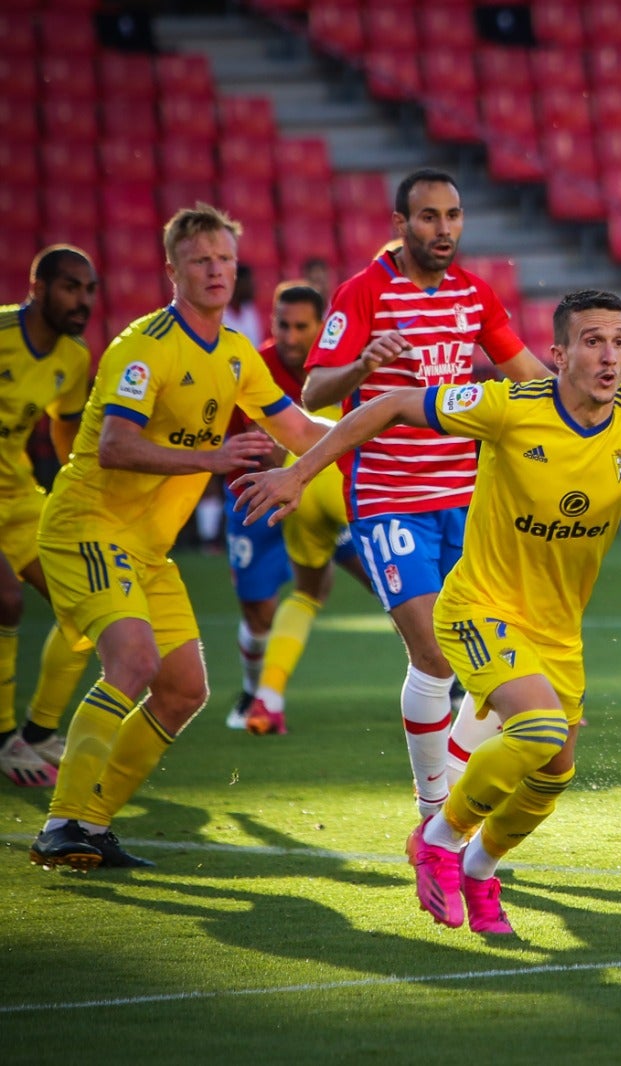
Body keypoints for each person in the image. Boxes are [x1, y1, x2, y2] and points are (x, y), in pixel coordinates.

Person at [235, 289, 621, 934]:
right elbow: (393, 403)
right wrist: (301, 473)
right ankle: (438, 837)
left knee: (553, 775)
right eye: (593, 341)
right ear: (558, 355)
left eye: (620, 340)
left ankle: (479, 872)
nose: (610, 355)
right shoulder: (510, 405)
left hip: (557, 631)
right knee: (534, 730)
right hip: (478, 607)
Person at [27, 203, 332, 870]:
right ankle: (61, 824)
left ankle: (95, 824)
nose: (217, 271)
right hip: (88, 525)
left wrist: (398, 423)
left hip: (147, 547)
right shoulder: (144, 345)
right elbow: (113, 445)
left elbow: (304, 433)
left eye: (225, 259)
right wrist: (210, 459)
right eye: (201, 260)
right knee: (132, 662)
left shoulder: (233, 356)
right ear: (173, 271)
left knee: (185, 689)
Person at [301, 168, 550, 827]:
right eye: (430, 217)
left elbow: (528, 376)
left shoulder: (474, 296)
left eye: (454, 216)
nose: (444, 229)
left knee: (491, 660)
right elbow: (314, 394)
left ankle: (457, 785)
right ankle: (434, 809)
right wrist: (360, 366)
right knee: (435, 654)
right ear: (399, 224)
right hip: (388, 500)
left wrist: (599, 404)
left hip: (467, 502)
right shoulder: (363, 294)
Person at [220, 281, 370, 734]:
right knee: (259, 612)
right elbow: (222, 441)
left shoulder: (335, 368)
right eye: (281, 325)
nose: (289, 336)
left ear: (321, 326)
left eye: (301, 327)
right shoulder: (250, 367)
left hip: (326, 489)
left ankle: (453, 682)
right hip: (257, 497)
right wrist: (251, 456)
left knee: (384, 586)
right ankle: (254, 691)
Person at [0, 246, 97, 787]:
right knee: (6, 598)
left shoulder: (74, 357)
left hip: (17, 495)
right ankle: (2, 739)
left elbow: (65, 428)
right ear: (37, 289)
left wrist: (75, 487)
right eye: (69, 287)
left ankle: (37, 733)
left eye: (89, 290)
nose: (81, 300)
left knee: (82, 604)